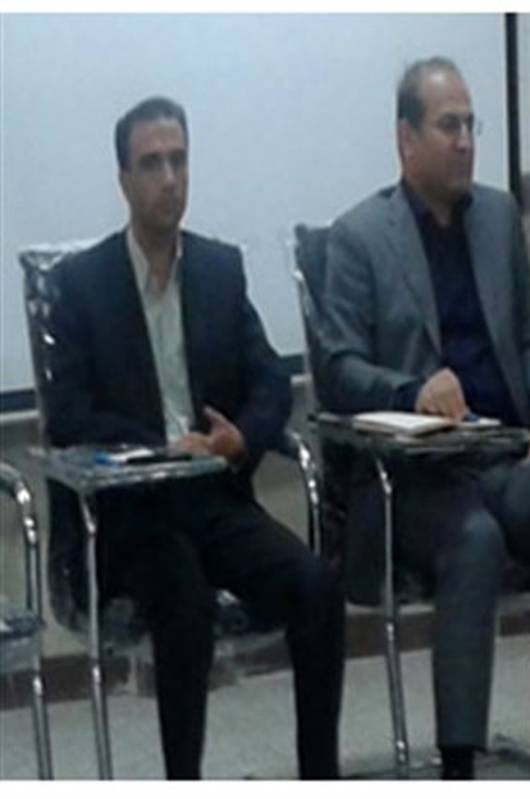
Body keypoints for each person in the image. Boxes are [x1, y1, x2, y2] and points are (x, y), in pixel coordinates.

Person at [320, 57, 530, 780]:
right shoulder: (359, 236)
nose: (464, 141)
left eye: (470, 125)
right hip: (410, 479)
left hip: (504, 453)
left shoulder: (497, 217)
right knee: (476, 541)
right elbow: (336, 369)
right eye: (447, 126)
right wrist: (410, 391)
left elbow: (526, 339)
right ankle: (459, 766)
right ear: (406, 139)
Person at [43, 96, 345, 779]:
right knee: (184, 597)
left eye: (179, 161)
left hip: (214, 495)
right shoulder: (82, 285)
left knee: (316, 585)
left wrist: (240, 439)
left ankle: (320, 777)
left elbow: (270, 381)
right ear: (124, 180)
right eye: (152, 164)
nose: (169, 178)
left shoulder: (218, 269)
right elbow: (68, 413)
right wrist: (162, 445)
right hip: (132, 514)